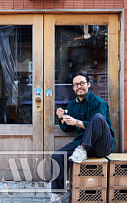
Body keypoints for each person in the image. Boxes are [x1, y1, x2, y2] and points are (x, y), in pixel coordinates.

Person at [49, 72, 116, 203]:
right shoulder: (71, 105)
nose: (79, 87)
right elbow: (68, 129)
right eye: (76, 85)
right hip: (81, 143)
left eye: (82, 83)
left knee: (98, 117)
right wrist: (61, 118)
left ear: (88, 84)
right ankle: (59, 193)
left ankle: (83, 149)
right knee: (57, 156)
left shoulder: (98, 102)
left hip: (102, 144)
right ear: (73, 88)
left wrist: (77, 122)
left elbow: (102, 126)